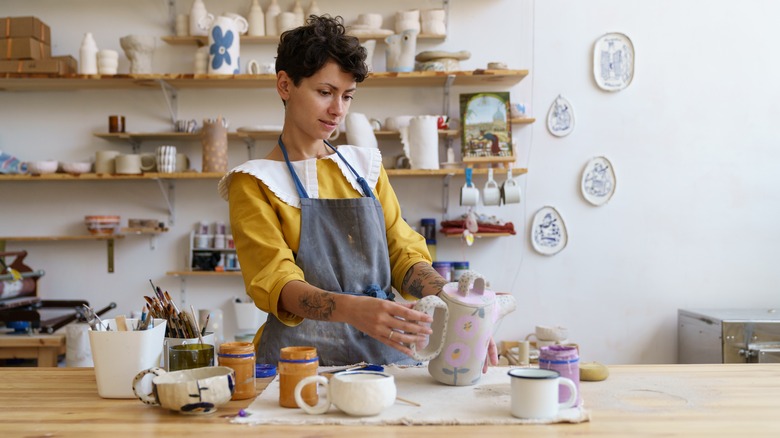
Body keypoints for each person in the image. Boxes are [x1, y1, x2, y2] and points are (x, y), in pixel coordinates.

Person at [218, 15, 498, 368]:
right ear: (285, 85)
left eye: (347, 96)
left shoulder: (364, 168)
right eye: (325, 92)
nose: (338, 110)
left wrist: (457, 303)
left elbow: (403, 253)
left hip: (385, 359)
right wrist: (354, 309)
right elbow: (277, 283)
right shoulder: (255, 182)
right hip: (297, 366)